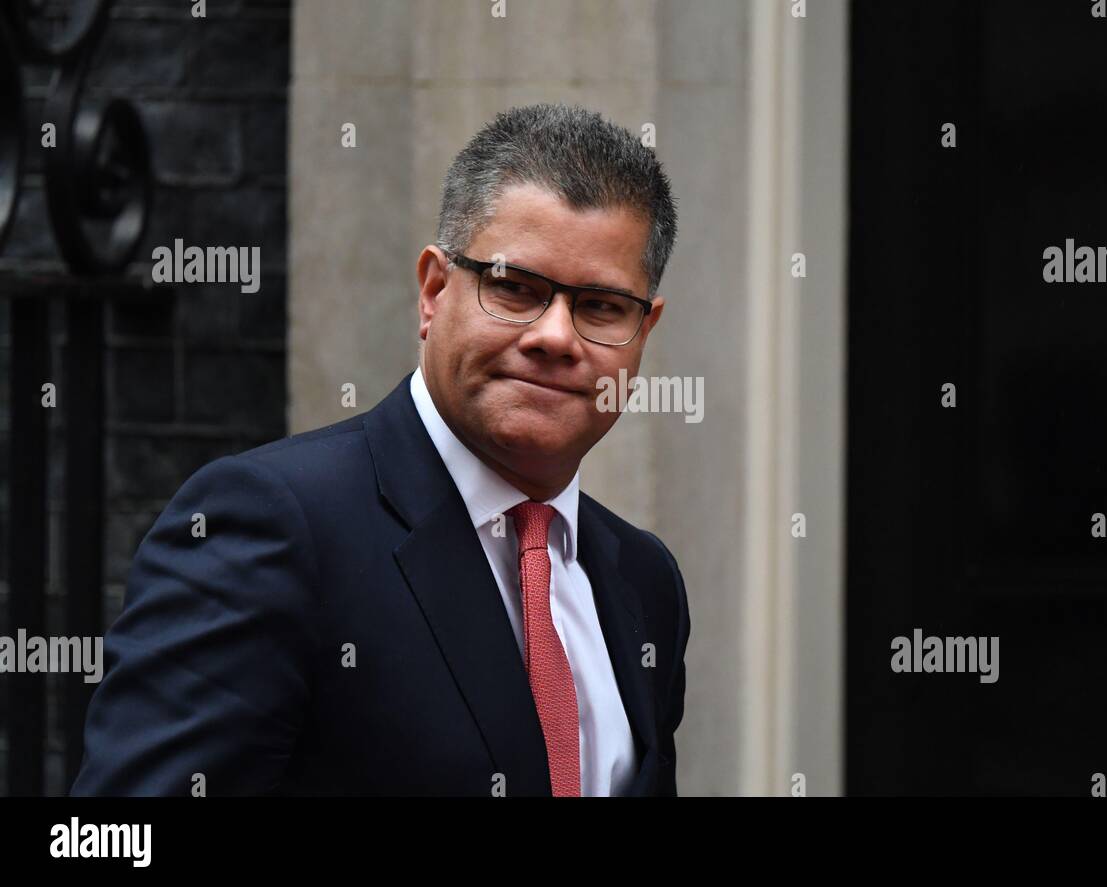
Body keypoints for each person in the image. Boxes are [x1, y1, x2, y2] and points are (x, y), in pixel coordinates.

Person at [71, 103, 689, 797]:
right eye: (515, 289)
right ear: (433, 291)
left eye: (601, 306)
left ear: (643, 330)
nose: (555, 335)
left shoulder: (645, 581)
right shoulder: (272, 527)